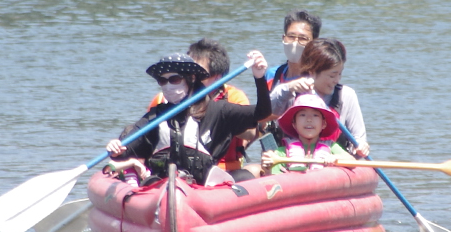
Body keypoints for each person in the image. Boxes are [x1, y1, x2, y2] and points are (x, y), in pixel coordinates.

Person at [108, 49, 271, 185]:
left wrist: (259, 78)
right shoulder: (156, 115)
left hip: (204, 186)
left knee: (244, 178)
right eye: (162, 81)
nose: (168, 86)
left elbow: (262, 113)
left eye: (174, 79)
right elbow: (128, 146)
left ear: (191, 79)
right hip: (163, 185)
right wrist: (117, 147)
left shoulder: (218, 111)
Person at [147, 38, 253, 174]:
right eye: (187, 75)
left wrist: (219, 119)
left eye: (199, 75)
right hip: (174, 169)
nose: (192, 80)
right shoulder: (163, 99)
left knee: (245, 175)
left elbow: (251, 133)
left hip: (222, 170)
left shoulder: (234, 97)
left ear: (217, 77)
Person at [269, 37, 370, 158]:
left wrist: (361, 146)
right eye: (332, 75)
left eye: (340, 74)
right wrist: (287, 88)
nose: (337, 80)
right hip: (293, 163)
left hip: (333, 163)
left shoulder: (346, 95)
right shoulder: (293, 93)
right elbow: (266, 112)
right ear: (312, 72)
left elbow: (358, 137)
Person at [261, 93, 353, 173]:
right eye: (302, 115)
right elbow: (272, 179)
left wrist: (336, 158)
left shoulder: (332, 147)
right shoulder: (281, 153)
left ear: (323, 124)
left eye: (315, 115)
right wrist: (267, 168)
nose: (309, 119)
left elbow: (352, 162)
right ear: (294, 124)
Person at [266, 9, 321, 92]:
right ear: (283, 38)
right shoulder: (272, 75)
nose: (295, 43)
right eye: (291, 37)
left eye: (303, 38)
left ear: (314, 42)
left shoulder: (318, 79)